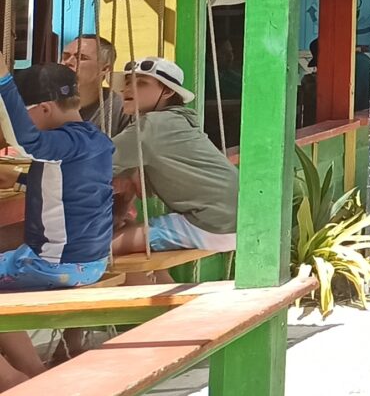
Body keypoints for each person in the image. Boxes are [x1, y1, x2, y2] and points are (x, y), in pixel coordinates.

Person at [0, 64, 116, 382]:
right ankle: (34, 373)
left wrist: (4, 81)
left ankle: (13, 382)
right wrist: (20, 179)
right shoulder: (95, 140)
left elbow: (28, 143)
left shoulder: (63, 143)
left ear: (46, 109)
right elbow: (69, 188)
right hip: (89, 262)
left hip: (53, 265)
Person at [109, 58, 237, 263]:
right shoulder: (174, 121)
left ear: (167, 92)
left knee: (97, 249)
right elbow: (136, 183)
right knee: (136, 257)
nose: (127, 89)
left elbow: (95, 164)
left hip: (211, 224)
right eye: (126, 82)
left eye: (141, 83)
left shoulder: (152, 125)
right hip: (232, 221)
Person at [61, 35, 120, 135]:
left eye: (81, 58)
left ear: (105, 69)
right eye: (65, 57)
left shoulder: (121, 109)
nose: (68, 62)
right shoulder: (44, 104)